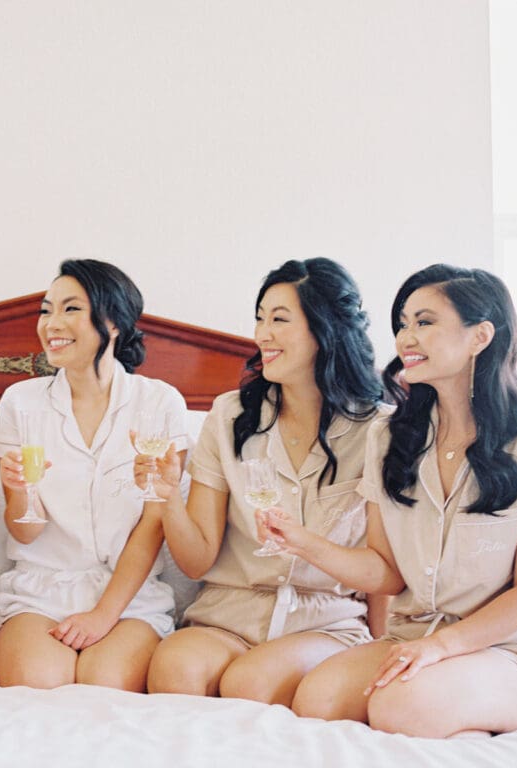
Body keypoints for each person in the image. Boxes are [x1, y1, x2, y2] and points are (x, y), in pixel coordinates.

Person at [270, 264, 517, 737]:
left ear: (480, 336)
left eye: (424, 322)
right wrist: (303, 543)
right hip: (414, 637)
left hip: (509, 647)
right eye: (402, 323)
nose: (406, 337)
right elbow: (385, 570)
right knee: (316, 700)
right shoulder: (389, 435)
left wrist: (443, 648)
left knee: (402, 707)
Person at [141, 258, 385, 704]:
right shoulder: (230, 415)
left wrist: (386, 649)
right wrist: (166, 497)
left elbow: (386, 568)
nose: (261, 334)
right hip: (227, 614)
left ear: (324, 329)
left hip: (324, 621)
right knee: (176, 668)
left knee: (249, 683)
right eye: (259, 318)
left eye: (279, 320)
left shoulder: (379, 431)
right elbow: (197, 561)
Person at [0, 259, 187, 692]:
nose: (51, 324)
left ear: (113, 322)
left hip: (129, 598)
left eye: (71, 309)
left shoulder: (159, 403)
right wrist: (20, 493)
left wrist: (103, 616)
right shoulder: (20, 402)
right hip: (38, 591)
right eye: (45, 310)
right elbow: (26, 532)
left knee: (105, 684)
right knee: (39, 684)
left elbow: (154, 524)